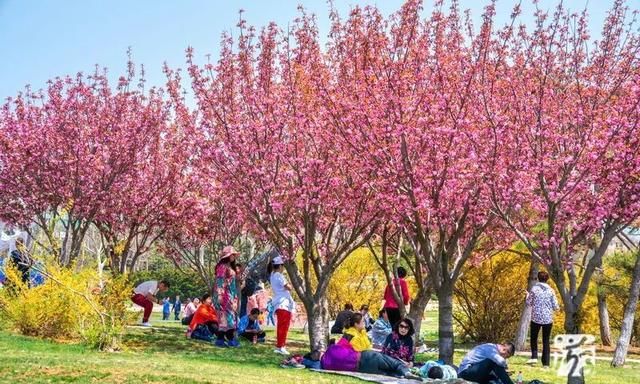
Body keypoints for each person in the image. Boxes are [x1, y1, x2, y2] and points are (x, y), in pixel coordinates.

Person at [320, 337, 422, 380]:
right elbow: (350, 346)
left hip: (362, 369)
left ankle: (401, 377)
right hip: (366, 356)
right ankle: (406, 372)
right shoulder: (333, 348)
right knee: (395, 364)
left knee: (390, 374)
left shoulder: (325, 366)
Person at [526, 270, 560, 367]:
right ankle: (546, 363)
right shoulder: (551, 291)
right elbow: (556, 307)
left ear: (538, 278)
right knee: (546, 340)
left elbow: (529, 303)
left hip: (535, 318)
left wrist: (527, 295)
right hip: (547, 319)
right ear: (547, 279)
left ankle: (534, 357)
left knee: (534, 338)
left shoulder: (534, 289)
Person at [213, 245, 242, 347]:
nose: (234, 256)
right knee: (227, 318)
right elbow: (220, 281)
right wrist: (220, 295)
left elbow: (231, 281)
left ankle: (220, 340)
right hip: (225, 296)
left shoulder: (230, 267)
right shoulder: (222, 267)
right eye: (232, 254)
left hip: (230, 295)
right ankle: (230, 339)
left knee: (226, 319)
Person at [270, 255, 296, 355]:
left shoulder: (272, 275)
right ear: (280, 266)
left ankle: (279, 345)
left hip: (279, 303)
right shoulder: (279, 276)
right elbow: (289, 287)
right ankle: (281, 346)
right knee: (284, 326)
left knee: (281, 326)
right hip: (283, 303)